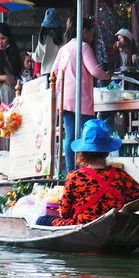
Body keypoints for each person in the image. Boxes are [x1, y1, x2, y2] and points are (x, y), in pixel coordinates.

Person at [37, 119, 139, 227]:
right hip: (115, 225)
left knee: (42, 219)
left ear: (83, 152)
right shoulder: (121, 175)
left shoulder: (74, 177)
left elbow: (65, 213)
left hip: (81, 226)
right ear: (107, 151)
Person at [51, 17, 111, 173]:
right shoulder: (83, 47)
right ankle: (86, 170)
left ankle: (71, 171)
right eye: (92, 32)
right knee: (87, 136)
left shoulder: (64, 49)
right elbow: (95, 71)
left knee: (70, 136)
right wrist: (107, 75)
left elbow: (54, 72)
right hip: (80, 99)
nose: (93, 36)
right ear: (85, 31)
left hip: (64, 99)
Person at [33, 8, 63, 76]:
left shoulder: (43, 39)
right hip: (60, 71)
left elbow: (38, 57)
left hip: (47, 72)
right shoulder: (63, 38)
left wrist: (32, 55)